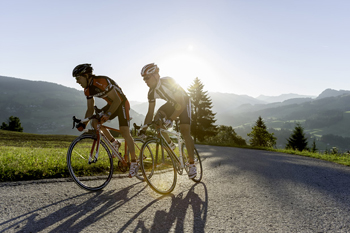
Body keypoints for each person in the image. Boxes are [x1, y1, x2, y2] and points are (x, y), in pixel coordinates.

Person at [72, 63, 138, 178]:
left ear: (86, 75)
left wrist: (107, 114)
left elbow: (117, 100)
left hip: (121, 103)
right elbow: (90, 109)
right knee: (95, 122)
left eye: (78, 78)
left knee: (124, 131)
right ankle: (114, 142)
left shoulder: (101, 81)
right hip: (112, 104)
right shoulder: (87, 90)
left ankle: (134, 161)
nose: (77, 81)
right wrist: (84, 122)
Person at [140, 63, 197, 179]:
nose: (145, 81)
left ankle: (192, 164)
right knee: (157, 120)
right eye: (143, 79)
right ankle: (170, 144)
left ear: (156, 75)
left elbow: (180, 104)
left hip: (183, 102)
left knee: (185, 131)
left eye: (147, 77)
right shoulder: (151, 92)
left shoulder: (168, 82)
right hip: (171, 104)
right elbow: (150, 113)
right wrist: (143, 129)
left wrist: (171, 119)